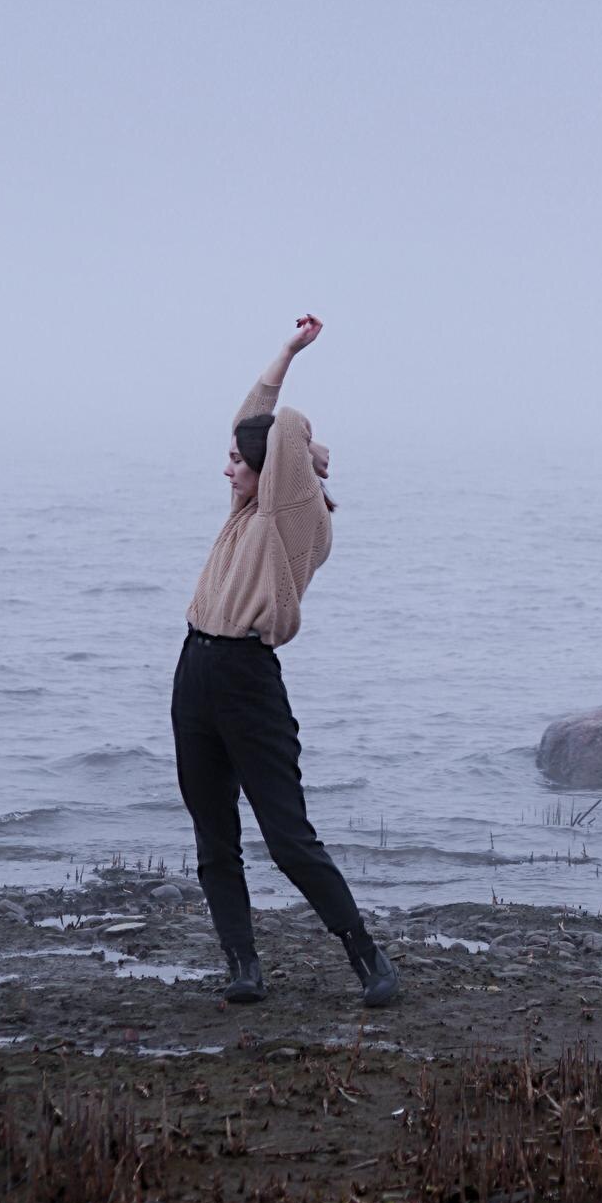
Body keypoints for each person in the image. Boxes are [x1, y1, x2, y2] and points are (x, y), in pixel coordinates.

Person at [172, 314, 399, 1009]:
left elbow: (281, 428)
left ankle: (369, 959)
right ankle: (243, 967)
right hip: (195, 672)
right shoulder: (243, 511)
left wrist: (303, 444)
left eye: (237, 462)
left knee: (287, 837)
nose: (227, 469)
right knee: (214, 835)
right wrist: (286, 351)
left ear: (273, 472)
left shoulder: (288, 520)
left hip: (247, 681)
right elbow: (254, 422)